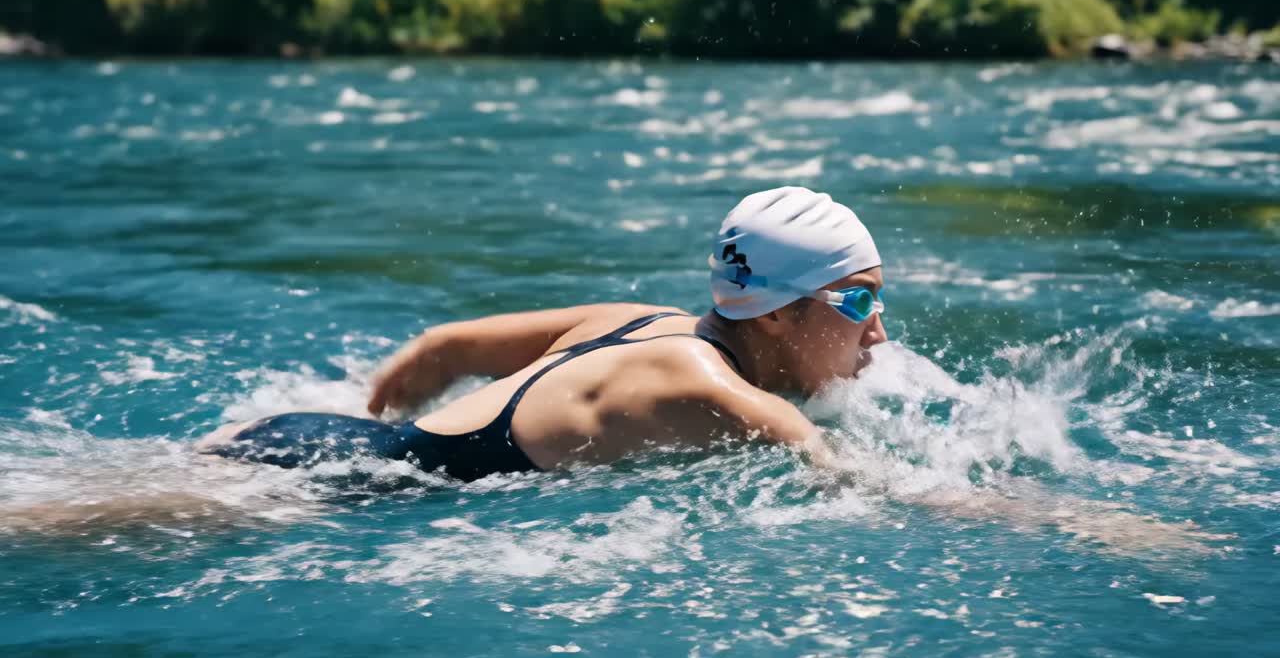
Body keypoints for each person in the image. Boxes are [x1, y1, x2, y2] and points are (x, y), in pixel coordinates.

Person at [197, 186, 887, 481]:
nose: (878, 332)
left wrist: (384, 413)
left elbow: (445, 348)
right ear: (773, 311)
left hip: (301, 437)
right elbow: (855, 482)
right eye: (858, 303)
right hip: (324, 485)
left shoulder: (638, 320)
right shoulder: (709, 385)